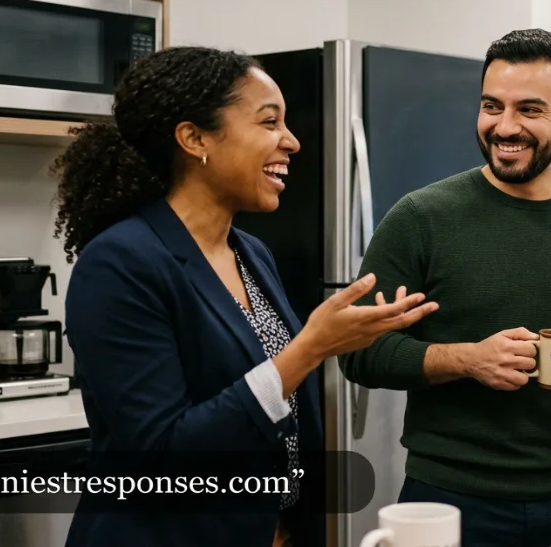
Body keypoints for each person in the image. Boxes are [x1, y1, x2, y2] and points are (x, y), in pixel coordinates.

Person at [52, 46, 437, 547]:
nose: (292, 142)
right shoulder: (120, 263)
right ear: (194, 138)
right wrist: (310, 348)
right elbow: (159, 454)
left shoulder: (250, 253)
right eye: (268, 122)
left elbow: (279, 416)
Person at [337, 29, 551, 547]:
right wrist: (466, 359)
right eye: (492, 105)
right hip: (447, 497)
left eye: (529, 110)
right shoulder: (421, 217)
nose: (504, 127)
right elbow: (359, 353)